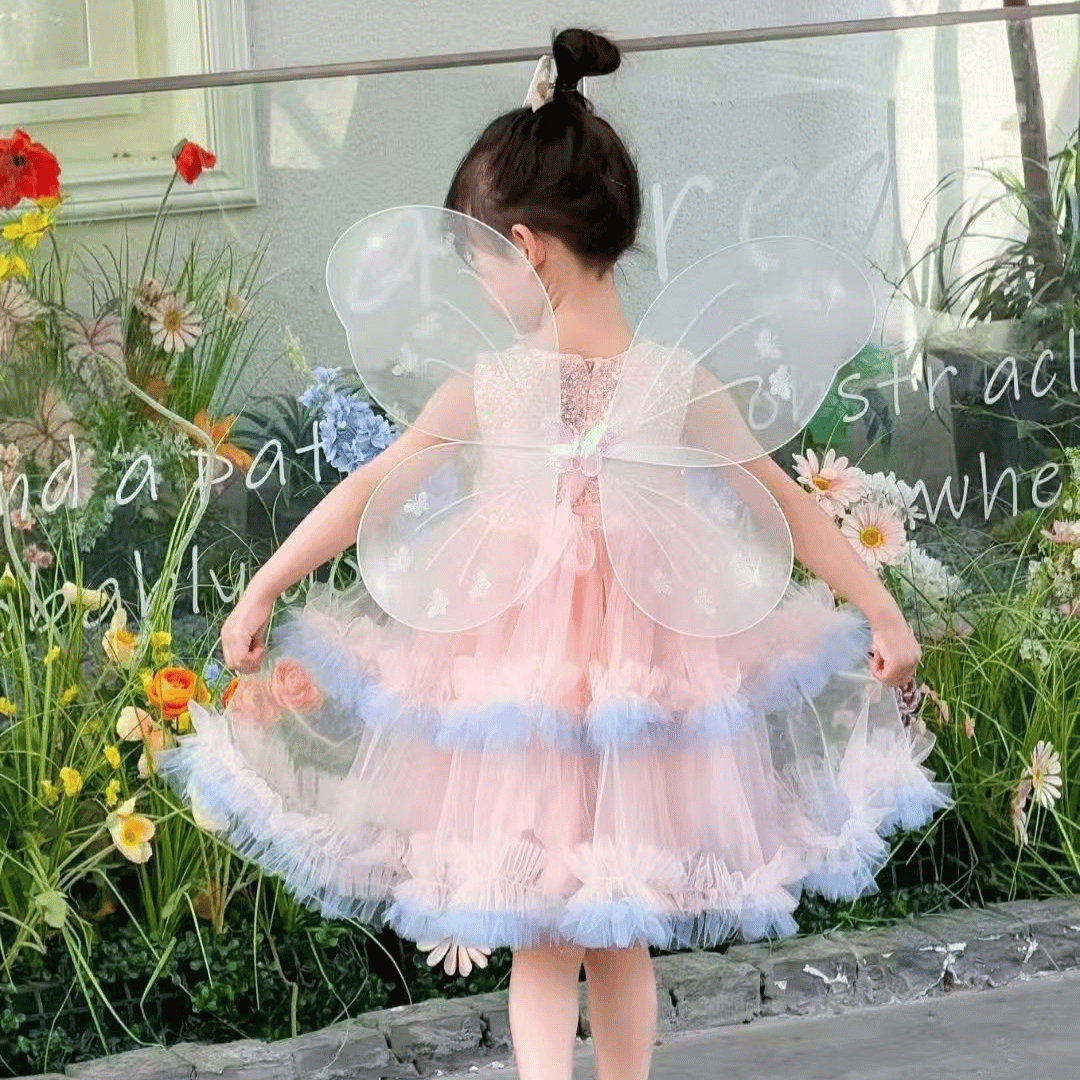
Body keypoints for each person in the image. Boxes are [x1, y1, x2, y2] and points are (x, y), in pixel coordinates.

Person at [158, 28, 951, 1080]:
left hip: (594, 692)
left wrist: (265, 585)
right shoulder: (646, 380)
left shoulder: (515, 386)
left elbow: (368, 493)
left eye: (480, 262)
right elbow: (791, 513)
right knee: (590, 930)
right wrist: (880, 608)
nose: (481, 287)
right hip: (566, 692)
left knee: (570, 929)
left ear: (525, 248)